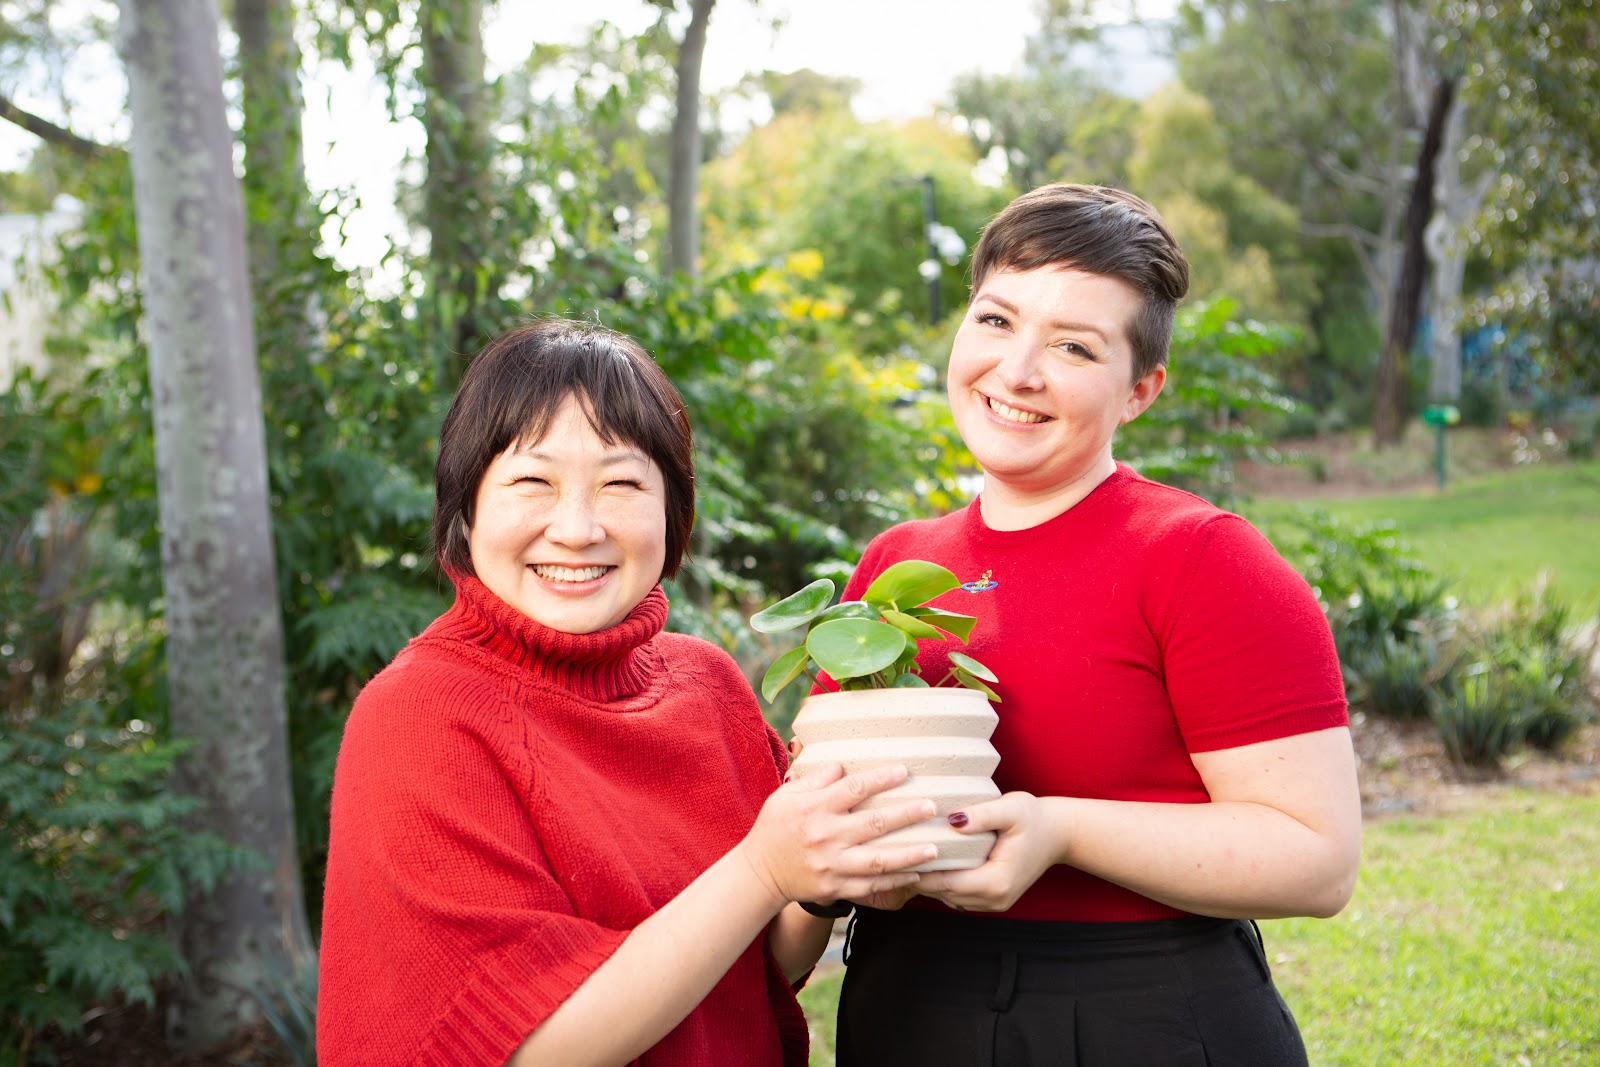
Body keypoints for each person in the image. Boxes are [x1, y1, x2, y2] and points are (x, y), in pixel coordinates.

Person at [827, 184, 1363, 1065]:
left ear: (1139, 390)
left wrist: (1064, 830)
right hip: (906, 1006)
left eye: (1074, 346)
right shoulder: (895, 563)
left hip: (1142, 1013)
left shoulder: (1202, 558)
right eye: (997, 321)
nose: (1018, 371)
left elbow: (1317, 859)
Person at [317, 318, 941, 1067]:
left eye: (620, 483)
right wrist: (763, 868)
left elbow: (753, 969)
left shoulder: (707, 685)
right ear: (467, 505)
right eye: (531, 482)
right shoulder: (419, 717)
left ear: (671, 510)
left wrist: (821, 878)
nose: (577, 529)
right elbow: (530, 1048)